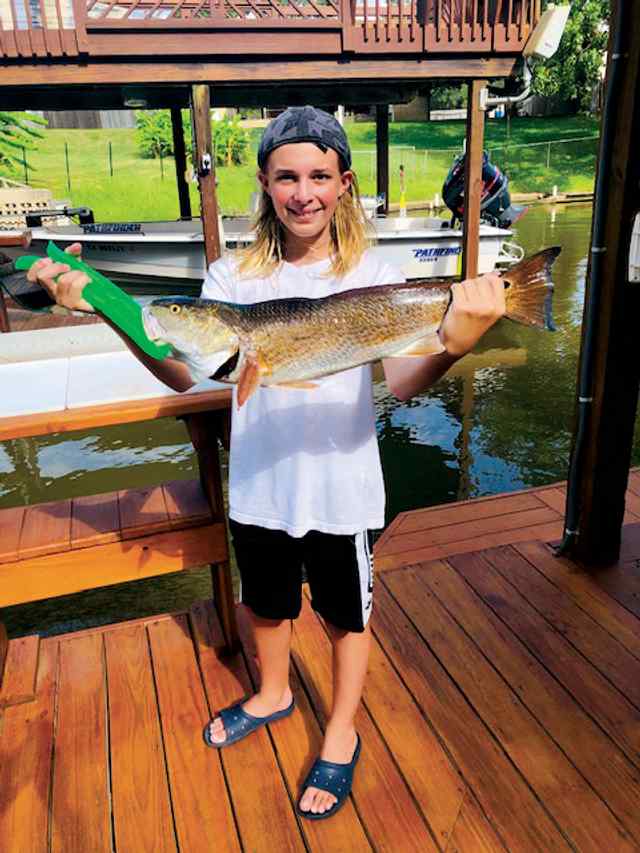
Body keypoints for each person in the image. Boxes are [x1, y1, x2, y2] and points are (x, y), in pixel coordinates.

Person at [29, 105, 505, 820]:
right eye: (287, 176)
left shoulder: (373, 272)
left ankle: (341, 727)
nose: (303, 191)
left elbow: (404, 384)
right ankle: (275, 690)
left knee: (347, 617)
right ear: (265, 183)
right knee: (267, 603)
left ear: (344, 184)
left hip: (340, 489)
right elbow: (184, 372)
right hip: (259, 487)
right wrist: (105, 307)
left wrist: (457, 341)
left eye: (319, 175)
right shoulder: (232, 278)